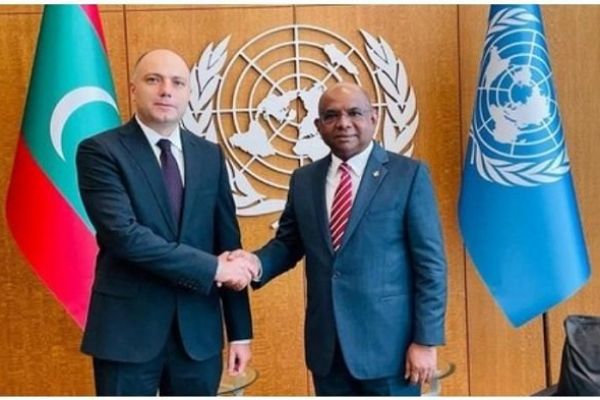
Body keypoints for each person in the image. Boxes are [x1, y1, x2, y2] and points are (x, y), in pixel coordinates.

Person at [232, 82, 447, 396]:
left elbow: (431, 266)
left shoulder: (408, 175)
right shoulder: (304, 180)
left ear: (373, 118)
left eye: (354, 113)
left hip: (392, 351)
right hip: (327, 350)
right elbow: (288, 244)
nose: (343, 123)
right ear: (318, 126)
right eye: (331, 116)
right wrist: (254, 263)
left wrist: (425, 341)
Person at [76, 49, 257, 396]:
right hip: (127, 333)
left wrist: (239, 331)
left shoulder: (209, 155)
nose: (166, 91)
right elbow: (124, 237)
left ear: (188, 93)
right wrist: (214, 269)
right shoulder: (100, 152)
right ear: (133, 89)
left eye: (177, 82)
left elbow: (228, 242)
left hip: (198, 336)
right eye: (153, 80)